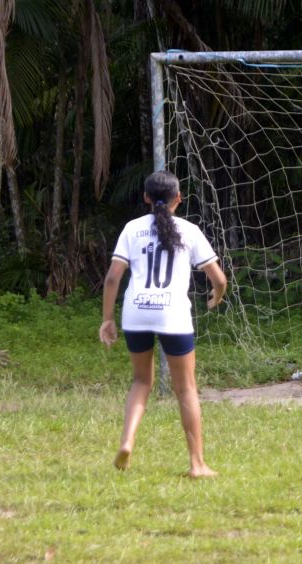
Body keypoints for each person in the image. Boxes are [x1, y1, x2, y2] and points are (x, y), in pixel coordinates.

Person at [99, 171, 227, 477]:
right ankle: (197, 464)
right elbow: (219, 279)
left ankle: (127, 442)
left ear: (146, 197)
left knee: (141, 381)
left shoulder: (132, 229)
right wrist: (218, 294)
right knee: (186, 389)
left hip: (136, 312)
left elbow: (113, 277)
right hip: (173, 314)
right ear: (178, 199)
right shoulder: (190, 230)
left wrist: (107, 319)